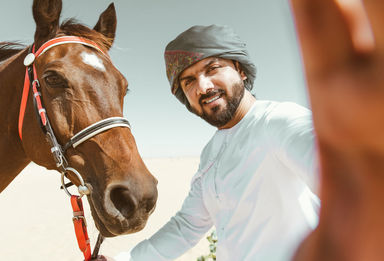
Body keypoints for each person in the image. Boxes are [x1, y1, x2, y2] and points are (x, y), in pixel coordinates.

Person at [101, 24, 320, 261]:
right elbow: (187, 227)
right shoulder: (211, 154)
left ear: (240, 69)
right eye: (189, 81)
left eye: (213, 68)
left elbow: (341, 178)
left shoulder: (277, 121)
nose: (203, 87)